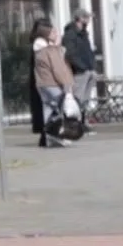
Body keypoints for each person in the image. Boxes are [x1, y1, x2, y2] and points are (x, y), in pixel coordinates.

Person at [30, 18, 77, 149]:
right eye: (54, 32)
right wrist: (67, 84)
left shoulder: (38, 49)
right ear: (47, 33)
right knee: (59, 108)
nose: (57, 34)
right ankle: (57, 135)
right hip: (52, 83)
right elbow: (58, 68)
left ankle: (48, 137)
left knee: (48, 109)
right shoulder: (50, 50)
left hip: (42, 84)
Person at [62, 8, 97, 116]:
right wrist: (82, 68)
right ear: (80, 18)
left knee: (85, 100)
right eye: (86, 17)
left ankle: (83, 121)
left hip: (88, 71)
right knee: (78, 98)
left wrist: (92, 68)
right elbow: (70, 54)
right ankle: (76, 123)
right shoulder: (70, 34)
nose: (88, 20)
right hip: (79, 72)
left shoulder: (84, 33)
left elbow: (88, 52)